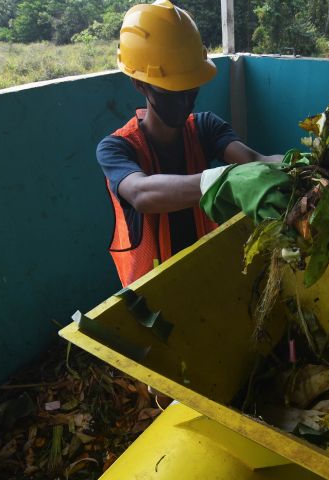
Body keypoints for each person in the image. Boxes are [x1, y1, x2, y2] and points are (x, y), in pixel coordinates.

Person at [96, 0, 282, 287]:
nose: (184, 101)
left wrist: (301, 166)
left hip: (203, 273)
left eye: (190, 87)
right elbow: (142, 194)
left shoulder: (205, 127)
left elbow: (257, 162)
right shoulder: (116, 148)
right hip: (152, 295)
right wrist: (224, 179)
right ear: (140, 84)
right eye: (171, 90)